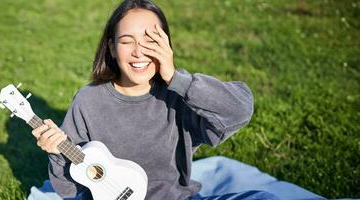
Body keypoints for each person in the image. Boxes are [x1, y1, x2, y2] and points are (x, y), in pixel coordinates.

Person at [31, 0, 279, 199]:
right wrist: (56, 153)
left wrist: (175, 78)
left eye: (150, 41)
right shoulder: (88, 101)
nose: (139, 51)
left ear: (166, 45)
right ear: (112, 48)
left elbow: (239, 109)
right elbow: (69, 191)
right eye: (127, 41)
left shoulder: (179, 96)